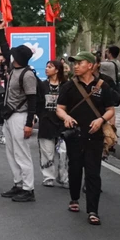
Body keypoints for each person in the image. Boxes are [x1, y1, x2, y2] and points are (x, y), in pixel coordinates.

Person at [57, 52, 120, 225]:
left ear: (91, 65)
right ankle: (75, 198)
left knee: (93, 173)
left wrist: (101, 120)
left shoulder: (103, 86)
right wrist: (66, 117)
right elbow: (60, 108)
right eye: (74, 63)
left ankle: (93, 210)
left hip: (95, 136)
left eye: (80, 63)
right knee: (75, 168)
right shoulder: (69, 86)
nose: (76, 66)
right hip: (75, 135)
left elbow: (110, 109)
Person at [0, 23, 40, 203]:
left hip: (21, 116)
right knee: (11, 152)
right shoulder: (14, 68)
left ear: (19, 58)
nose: (10, 56)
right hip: (9, 116)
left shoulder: (27, 75)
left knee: (22, 153)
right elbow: (5, 49)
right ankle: (18, 183)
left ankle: (28, 188)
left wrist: (29, 123)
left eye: (14, 55)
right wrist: (0, 30)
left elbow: (32, 100)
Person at [38, 59, 68, 188]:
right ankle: (48, 177)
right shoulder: (42, 86)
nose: (46, 69)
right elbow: (37, 102)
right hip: (46, 122)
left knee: (64, 152)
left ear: (57, 70)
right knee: (47, 151)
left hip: (63, 123)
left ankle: (63, 177)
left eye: (49, 67)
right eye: (46, 66)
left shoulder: (66, 86)